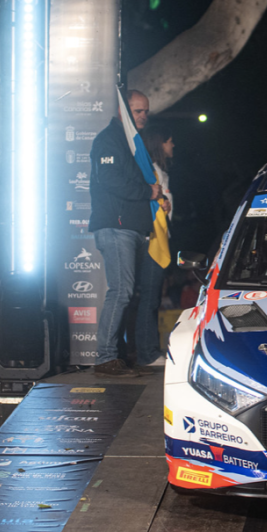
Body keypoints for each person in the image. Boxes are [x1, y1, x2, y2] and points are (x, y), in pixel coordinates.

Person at [88, 89, 162, 378]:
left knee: (126, 293)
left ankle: (115, 355)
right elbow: (110, 180)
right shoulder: (110, 139)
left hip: (130, 228)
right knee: (120, 291)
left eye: (146, 111)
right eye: (137, 111)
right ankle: (106, 358)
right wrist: (148, 191)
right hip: (116, 227)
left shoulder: (131, 141)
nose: (143, 116)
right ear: (122, 110)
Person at [133, 125, 175, 367]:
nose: (173, 145)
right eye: (170, 141)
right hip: (151, 240)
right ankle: (147, 354)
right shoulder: (149, 173)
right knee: (149, 297)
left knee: (152, 297)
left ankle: (148, 350)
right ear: (160, 144)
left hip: (160, 238)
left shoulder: (160, 172)